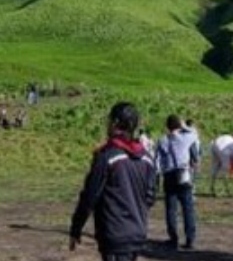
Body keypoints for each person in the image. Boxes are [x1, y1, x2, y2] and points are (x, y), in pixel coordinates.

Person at [69, 102, 156, 261]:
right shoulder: (147, 159)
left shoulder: (107, 157)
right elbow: (150, 197)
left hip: (115, 234)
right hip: (137, 233)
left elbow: (90, 196)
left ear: (115, 123)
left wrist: (76, 228)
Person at [156, 114, 199, 250]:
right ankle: (190, 239)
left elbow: (158, 160)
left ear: (167, 126)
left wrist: (159, 173)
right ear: (179, 125)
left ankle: (173, 238)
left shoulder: (162, 140)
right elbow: (194, 133)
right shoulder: (185, 138)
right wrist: (184, 125)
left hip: (169, 174)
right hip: (183, 172)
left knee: (171, 208)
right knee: (188, 207)